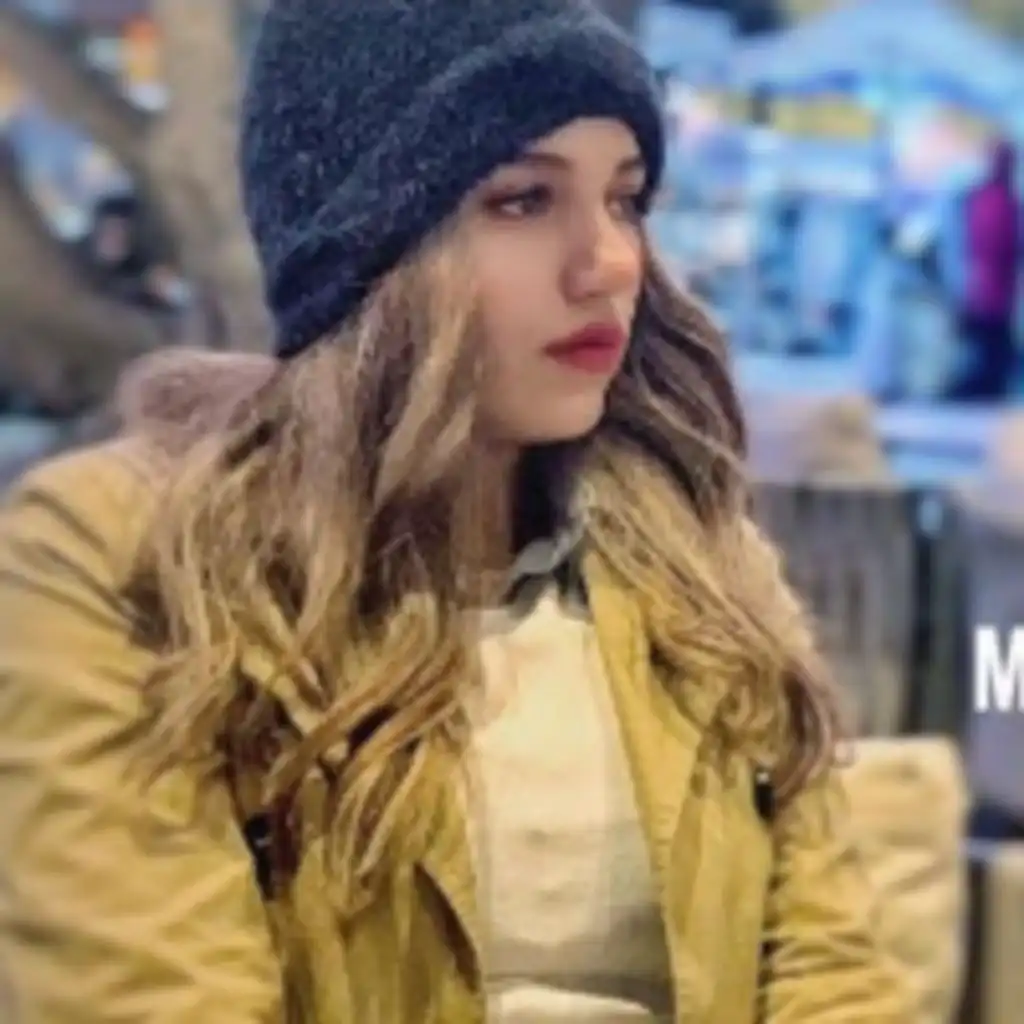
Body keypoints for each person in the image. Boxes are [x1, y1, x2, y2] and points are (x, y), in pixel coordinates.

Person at [0, 1, 910, 1021]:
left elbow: (837, 974)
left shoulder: (701, 563)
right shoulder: (123, 556)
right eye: (523, 200)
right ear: (363, 253)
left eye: (624, 199)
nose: (611, 262)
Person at [945, 138, 1020, 400]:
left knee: (990, 341)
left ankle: (984, 384)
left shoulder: (1005, 201)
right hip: (982, 284)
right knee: (982, 341)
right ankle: (979, 383)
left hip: (995, 287)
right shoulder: (982, 198)